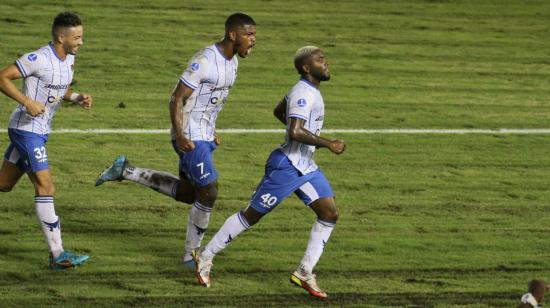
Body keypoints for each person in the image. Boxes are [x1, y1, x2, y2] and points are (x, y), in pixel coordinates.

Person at [95, 13, 257, 268]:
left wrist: (210, 128)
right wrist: (180, 135)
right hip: (190, 137)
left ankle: (127, 171)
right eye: (249, 34)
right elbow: (177, 98)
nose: (253, 40)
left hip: (203, 134)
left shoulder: (233, 62)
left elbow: (209, 101)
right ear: (233, 35)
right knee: (209, 192)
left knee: (188, 193)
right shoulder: (205, 61)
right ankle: (191, 256)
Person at [193, 46, 345, 299]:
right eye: (320, 60)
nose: (326, 63)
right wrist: (329, 143)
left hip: (306, 167)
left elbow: (279, 112)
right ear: (307, 68)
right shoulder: (304, 94)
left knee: (329, 214)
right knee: (251, 216)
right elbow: (295, 131)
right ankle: (205, 256)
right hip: (287, 166)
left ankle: (304, 271)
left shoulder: (308, 91)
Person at [0, 12, 92, 269]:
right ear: (61, 36)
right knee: (46, 187)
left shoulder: (69, 59)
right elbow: (2, 76)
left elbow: (57, 88)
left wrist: (76, 98)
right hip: (25, 130)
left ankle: (57, 254)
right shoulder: (38, 58)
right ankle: (57, 254)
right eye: (77, 37)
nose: (81, 42)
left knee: (4, 184)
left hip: (39, 131)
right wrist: (27, 102)